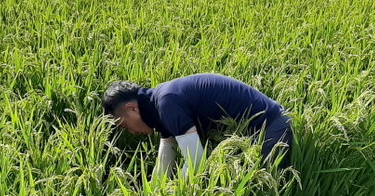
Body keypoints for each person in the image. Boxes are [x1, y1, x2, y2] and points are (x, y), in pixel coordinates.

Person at [103, 73, 293, 177]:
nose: (130, 131)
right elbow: (165, 160)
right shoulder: (158, 106)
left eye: (124, 125)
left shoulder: (167, 103)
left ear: (132, 109)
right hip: (254, 131)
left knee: (267, 187)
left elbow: (197, 163)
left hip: (272, 126)